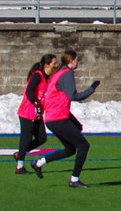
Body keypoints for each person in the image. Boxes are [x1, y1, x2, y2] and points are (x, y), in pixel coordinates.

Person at [28, 51, 98, 188]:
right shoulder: (67, 74)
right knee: (84, 146)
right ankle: (74, 179)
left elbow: (60, 99)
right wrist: (92, 89)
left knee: (70, 149)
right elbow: (73, 96)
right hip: (57, 118)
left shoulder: (59, 73)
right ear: (71, 61)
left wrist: (74, 122)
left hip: (54, 117)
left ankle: (38, 163)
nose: (78, 62)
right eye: (77, 60)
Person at [15, 54, 57, 174]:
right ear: (47, 64)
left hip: (37, 114)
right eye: (54, 63)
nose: (56, 65)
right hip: (28, 111)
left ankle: (20, 154)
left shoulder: (46, 77)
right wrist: (36, 104)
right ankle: (20, 166)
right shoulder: (38, 75)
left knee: (42, 138)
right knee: (26, 139)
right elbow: (28, 91)